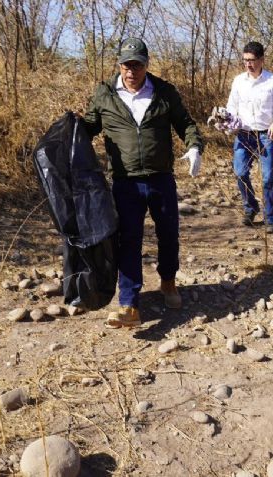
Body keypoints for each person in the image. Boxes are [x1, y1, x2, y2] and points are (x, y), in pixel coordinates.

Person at [82, 38, 203, 328]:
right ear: (119, 65)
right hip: (125, 183)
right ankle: (129, 303)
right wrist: (69, 133)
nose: (131, 71)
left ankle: (168, 283)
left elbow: (185, 123)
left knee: (168, 234)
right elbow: (88, 128)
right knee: (128, 241)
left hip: (161, 178)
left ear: (146, 65)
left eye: (137, 65)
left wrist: (195, 146)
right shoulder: (105, 94)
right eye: (126, 65)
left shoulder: (164, 92)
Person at [226, 41, 273, 233]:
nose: (248, 64)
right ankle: (251, 207)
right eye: (245, 60)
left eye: (252, 60)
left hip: (265, 135)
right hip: (243, 134)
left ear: (261, 60)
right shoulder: (238, 81)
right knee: (240, 173)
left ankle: (271, 219)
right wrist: (227, 122)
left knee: (267, 178)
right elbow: (231, 107)